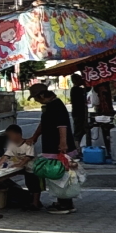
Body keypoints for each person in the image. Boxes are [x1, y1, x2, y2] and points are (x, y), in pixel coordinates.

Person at [28, 84, 77, 214]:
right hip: (52, 147)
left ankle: (65, 203)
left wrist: (63, 143)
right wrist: (35, 137)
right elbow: (43, 124)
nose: (36, 100)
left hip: (58, 147)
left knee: (59, 175)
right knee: (56, 174)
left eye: (36, 98)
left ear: (42, 95)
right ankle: (63, 201)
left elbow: (62, 126)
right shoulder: (49, 107)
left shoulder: (56, 106)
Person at [0, 124, 42, 210]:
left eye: (11, 136)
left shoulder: (28, 144)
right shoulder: (12, 144)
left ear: (18, 135)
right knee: (29, 184)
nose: (10, 138)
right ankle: (31, 201)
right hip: (24, 167)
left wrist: (20, 164)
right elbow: (6, 155)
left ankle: (36, 203)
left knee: (34, 185)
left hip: (33, 168)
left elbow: (28, 157)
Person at [70, 74, 88, 150]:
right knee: (79, 131)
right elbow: (87, 90)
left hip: (78, 112)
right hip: (79, 113)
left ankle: (79, 147)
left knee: (80, 130)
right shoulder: (76, 90)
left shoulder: (75, 89)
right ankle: (77, 148)